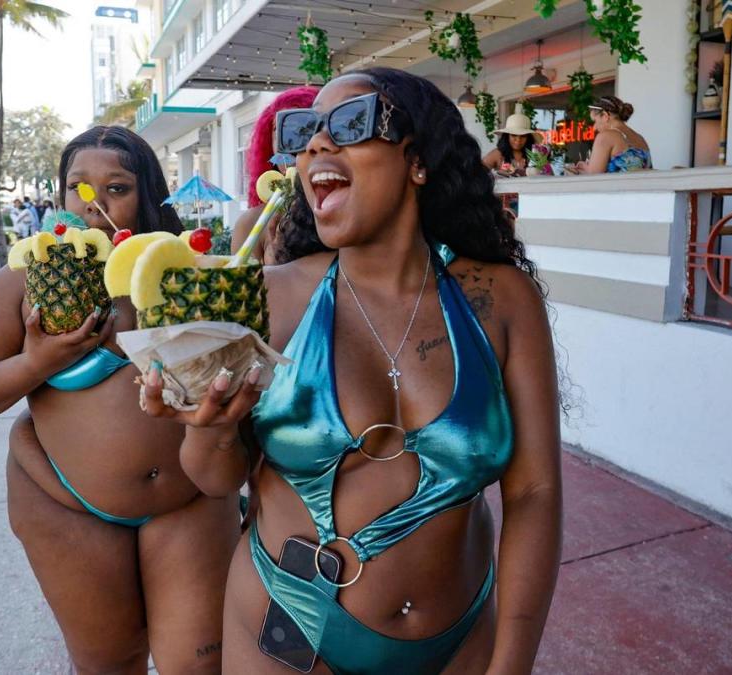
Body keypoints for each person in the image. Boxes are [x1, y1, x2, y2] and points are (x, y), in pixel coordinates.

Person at [148, 67, 563, 673]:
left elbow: (534, 492)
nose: (317, 143)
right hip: (293, 622)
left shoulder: (498, 300)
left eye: (349, 123)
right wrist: (206, 427)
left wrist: (512, 660)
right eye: (303, 131)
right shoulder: (269, 301)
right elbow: (215, 479)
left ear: (416, 159)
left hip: (463, 638)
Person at [0, 126, 247, 675]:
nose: (94, 205)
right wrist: (35, 364)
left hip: (188, 502)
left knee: (198, 666)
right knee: (110, 665)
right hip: (69, 510)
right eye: (77, 189)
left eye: (116, 188)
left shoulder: (188, 276)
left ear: (148, 197)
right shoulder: (23, 285)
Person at [231, 86, 320, 265]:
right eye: (278, 129)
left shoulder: (342, 213)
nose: (290, 140)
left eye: (302, 126)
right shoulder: (252, 223)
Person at [569, 95, 652, 174]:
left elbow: (593, 179)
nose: (594, 127)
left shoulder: (606, 136)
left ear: (605, 115)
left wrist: (577, 172)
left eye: (595, 121)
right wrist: (587, 168)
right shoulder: (640, 138)